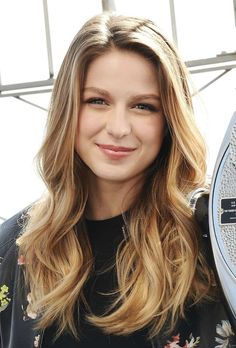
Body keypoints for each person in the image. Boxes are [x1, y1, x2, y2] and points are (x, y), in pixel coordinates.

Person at [0, 12, 235, 348]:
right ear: (68, 109)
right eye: (97, 101)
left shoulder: (214, 236)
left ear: (170, 119)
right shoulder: (15, 248)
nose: (119, 127)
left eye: (143, 106)